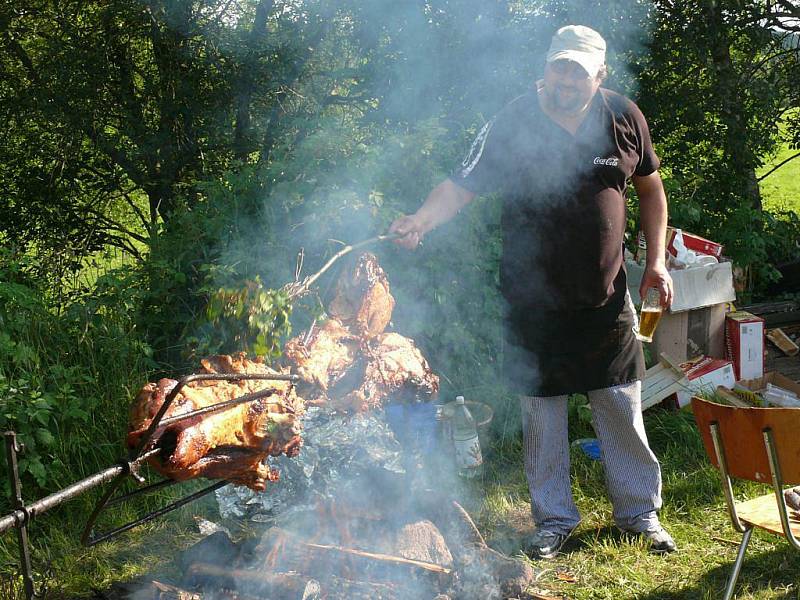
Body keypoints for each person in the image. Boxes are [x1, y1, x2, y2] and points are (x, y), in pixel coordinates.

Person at [390, 24, 677, 559]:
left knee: (620, 406)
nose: (566, 80)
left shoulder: (623, 116)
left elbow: (651, 190)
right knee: (543, 418)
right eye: (559, 67)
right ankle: (553, 520)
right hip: (533, 304)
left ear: (600, 76)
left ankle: (640, 514)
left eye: (579, 71)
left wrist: (656, 261)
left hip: (607, 297)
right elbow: (460, 185)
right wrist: (421, 221)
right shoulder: (511, 122)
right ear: (545, 68)